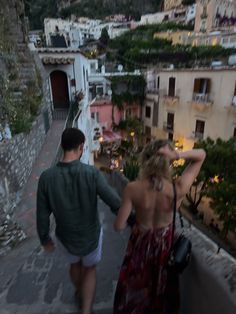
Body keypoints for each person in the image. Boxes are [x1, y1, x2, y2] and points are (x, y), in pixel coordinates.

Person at [113, 140, 206, 314]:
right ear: (168, 162)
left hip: (139, 247)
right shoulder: (178, 188)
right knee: (161, 296)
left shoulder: (132, 188)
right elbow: (201, 155)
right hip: (164, 250)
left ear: (145, 160)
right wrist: (177, 155)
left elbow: (118, 226)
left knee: (135, 294)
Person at [36, 128, 121, 314]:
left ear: (62, 146)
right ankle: (86, 309)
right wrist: (129, 218)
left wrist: (44, 239)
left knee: (75, 265)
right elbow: (114, 201)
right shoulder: (92, 173)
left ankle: (78, 291)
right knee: (89, 269)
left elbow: (42, 214)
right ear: (81, 147)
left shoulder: (46, 178)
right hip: (90, 236)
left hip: (65, 238)